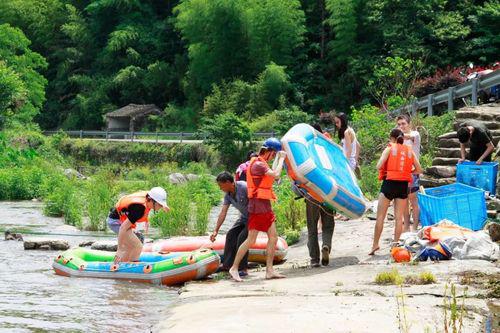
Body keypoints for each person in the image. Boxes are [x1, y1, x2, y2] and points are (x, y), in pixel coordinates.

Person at [229, 137, 287, 282]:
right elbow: (276, 174)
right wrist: (281, 159)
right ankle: (234, 268)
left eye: (275, 155)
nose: (274, 156)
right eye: (273, 154)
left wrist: (278, 158)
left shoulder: (261, 162)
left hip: (264, 206)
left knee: (273, 238)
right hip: (258, 208)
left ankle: (269, 270)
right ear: (268, 151)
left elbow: (271, 174)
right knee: (251, 239)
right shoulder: (259, 164)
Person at [369, 129, 422, 255]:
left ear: (392, 138)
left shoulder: (389, 148)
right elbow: (419, 169)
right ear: (403, 139)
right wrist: (407, 173)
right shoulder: (410, 152)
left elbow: (378, 166)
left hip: (389, 184)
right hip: (403, 186)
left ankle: (375, 245)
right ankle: (395, 246)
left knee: (380, 217)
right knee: (399, 218)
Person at [108, 187, 169, 263]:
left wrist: (163, 205)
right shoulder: (139, 209)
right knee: (137, 246)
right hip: (116, 222)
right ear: (152, 201)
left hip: (121, 221)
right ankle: (130, 268)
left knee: (130, 246)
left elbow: (154, 196)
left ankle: (121, 265)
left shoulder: (149, 198)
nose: (160, 207)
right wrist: (120, 249)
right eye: (160, 205)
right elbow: (123, 228)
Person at [210, 171, 249, 276]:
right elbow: (223, 213)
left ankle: (243, 268)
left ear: (228, 182)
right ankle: (227, 265)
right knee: (231, 234)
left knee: (242, 238)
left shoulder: (244, 187)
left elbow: (257, 200)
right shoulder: (228, 195)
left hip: (255, 217)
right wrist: (216, 230)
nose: (220, 188)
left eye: (220, 185)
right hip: (244, 218)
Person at [396, 114, 421, 232]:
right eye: (399, 124)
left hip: (412, 172)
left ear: (409, 124)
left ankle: (415, 228)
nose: (401, 126)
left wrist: (396, 134)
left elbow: (408, 137)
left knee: (413, 200)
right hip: (401, 172)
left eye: (403, 124)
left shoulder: (415, 134)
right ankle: (406, 227)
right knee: (404, 201)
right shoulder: (399, 139)